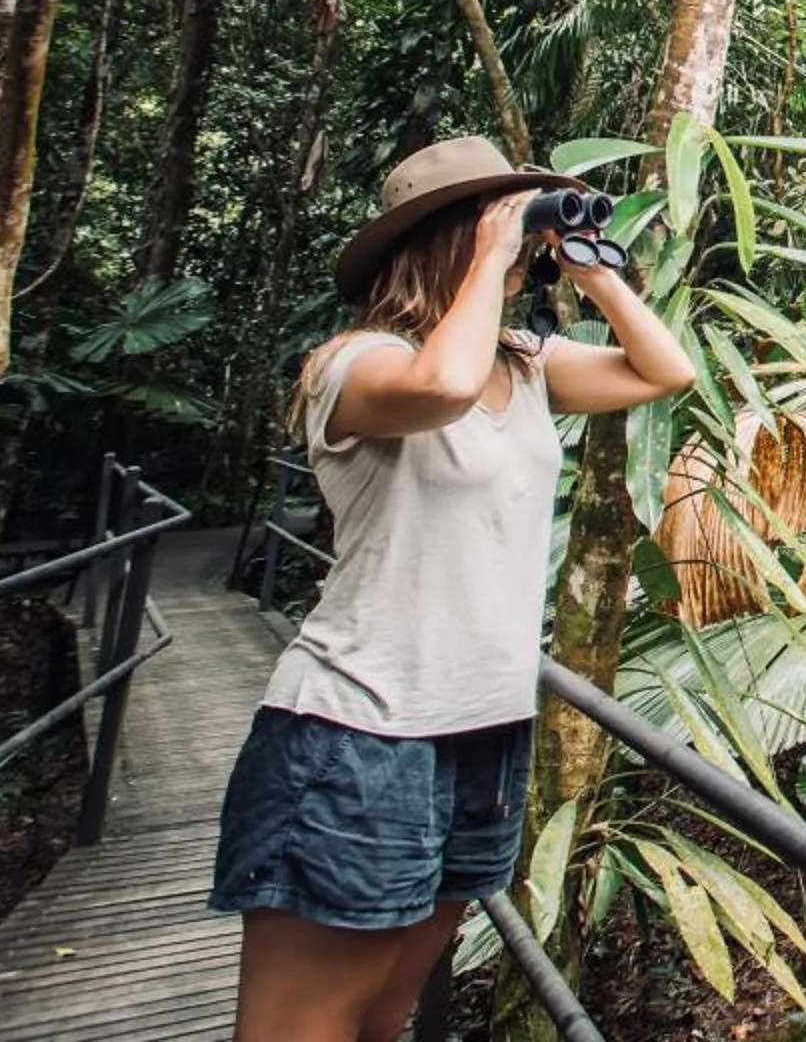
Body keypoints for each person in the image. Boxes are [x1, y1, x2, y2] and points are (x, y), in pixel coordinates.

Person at [211, 135, 697, 1042]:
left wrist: (591, 270)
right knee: (303, 1026)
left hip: (480, 729)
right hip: (358, 730)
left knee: (382, 1018)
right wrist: (489, 252)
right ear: (445, 239)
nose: (516, 243)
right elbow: (439, 385)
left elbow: (664, 371)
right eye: (497, 219)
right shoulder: (351, 365)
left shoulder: (522, 362)